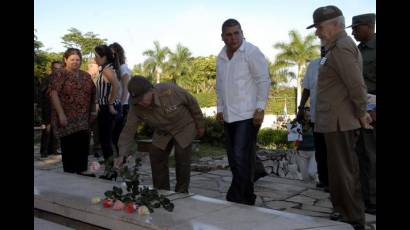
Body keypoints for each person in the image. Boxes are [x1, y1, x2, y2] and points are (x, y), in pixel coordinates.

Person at [306, 6, 373, 230]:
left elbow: (356, 85)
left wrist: (363, 113)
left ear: (336, 25)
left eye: (319, 27)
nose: (317, 32)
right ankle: (345, 212)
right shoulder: (332, 48)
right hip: (332, 122)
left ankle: (354, 218)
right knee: (338, 172)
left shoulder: (342, 48)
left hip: (340, 122)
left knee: (345, 172)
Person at [114, 76, 205, 193]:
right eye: (137, 101)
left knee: (182, 156)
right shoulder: (136, 107)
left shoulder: (170, 91)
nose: (140, 103)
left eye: (142, 99)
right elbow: (128, 130)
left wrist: (200, 125)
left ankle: (182, 192)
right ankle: (162, 192)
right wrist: (122, 154)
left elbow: (192, 103)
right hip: (163, 130)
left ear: (151, 90)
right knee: (156, 154)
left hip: (183, 127)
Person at [216, 19, 271, 205]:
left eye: (236, 33)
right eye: (229, 34)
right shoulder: (221, 57)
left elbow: (263, 80)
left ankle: (237, 195)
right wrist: (220, 108)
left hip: (248, 114)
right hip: (230, 115)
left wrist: (260, 109)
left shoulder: (252, 52)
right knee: (235, 158)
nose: (233, 38)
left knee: (240, 155)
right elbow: (220, 86)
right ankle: (247, 195)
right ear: (222, 37)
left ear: (242, 32)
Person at [49, 48, 97, 176]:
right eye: (72, 60)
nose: (75, 62)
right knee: (69, 147)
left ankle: (82, 171)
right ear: (65, 60)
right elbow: (53, 94)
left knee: (82, 147)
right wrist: (60, 114)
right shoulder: (60, 74)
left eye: (77, 59)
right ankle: (69, 175)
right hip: (66, 117)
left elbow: (93, 93)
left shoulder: (86, 76)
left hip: (83, 118)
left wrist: (93, 111)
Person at [348, 13, 377, 215]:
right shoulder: (357, 51)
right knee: (362, 156)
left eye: (356, 28)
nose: (353, 31)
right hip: (360, 108)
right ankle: (365, 197)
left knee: (371, 156)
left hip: (373, 110)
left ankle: (372, 200)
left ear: (369, 27)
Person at [297, 44, 329, 191]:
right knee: (321, 150)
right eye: (322, 47)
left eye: (327, 47)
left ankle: (334, 182)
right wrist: (301, 108)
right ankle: (323, 180)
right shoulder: (314, 64)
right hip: (317, 116)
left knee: (333, 151)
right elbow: (307, 89)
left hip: (334, 116)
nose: (324, 49)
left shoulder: (340, 61)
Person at [94, 45, 121, 173]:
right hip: (105, 107)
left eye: (96, 56)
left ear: (104, 57)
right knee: (106, 140)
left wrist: (110, 104)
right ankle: (110, 170)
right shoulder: (106, 68)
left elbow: (116, 85)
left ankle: (110, 172)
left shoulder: (107, 70)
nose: (95, 59)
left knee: (106, 141)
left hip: (107, 108)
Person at [109, 42, 131, 155]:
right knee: (114, 135)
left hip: (123, 104)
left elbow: (126, 88)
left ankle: (121, 158)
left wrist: (122, 105)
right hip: (117, 104)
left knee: (118, 135)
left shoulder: (123, 67)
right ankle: (119, 158)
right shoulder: (114, 68)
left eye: (113, 53)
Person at [39, 61, 63, 158]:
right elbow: (42, 93)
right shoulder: (47, 79)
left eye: (59, 69)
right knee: (47, 129)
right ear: (52, 69)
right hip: (48, 107)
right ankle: (44, 150)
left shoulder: (62, 79)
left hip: (58, 108)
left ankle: (53, 149)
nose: (57, 71)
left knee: (55, 129)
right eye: (55, 69)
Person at [295, 107, 317, 183]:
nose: (308, 118)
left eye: (310, 116)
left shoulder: (315, 126)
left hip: (313, 152)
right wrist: (296, 146)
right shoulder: (298, 126)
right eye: (306, 116)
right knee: (305, 177)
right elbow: (295, 139)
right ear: (303, 116)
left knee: (311, 173)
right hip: (301, 152)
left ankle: (316, 182)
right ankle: (311, 190)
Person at [87, 59, 102, 157]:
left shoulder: (100, 77)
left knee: (97, 130)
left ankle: (97, 149)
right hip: (86, 107)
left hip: (97, 106)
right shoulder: (85, 76)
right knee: (86, 129)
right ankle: (86, 148)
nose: (98, 68)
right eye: (95, 65)